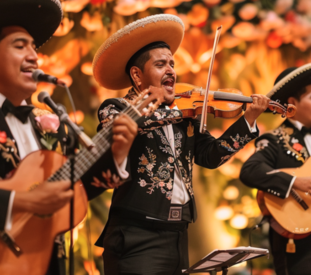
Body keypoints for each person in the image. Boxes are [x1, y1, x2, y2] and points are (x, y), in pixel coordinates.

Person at [0, 0, 137, 274]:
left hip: (48, 262)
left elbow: (75, 188)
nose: (34, 56)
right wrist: (21, 201)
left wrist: (118, 155)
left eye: (33, 47)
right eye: (19, 45)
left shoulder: (50, 122)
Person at [92, 14, 270, 275]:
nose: (171, 71)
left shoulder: (184, 113)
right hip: (136, 237)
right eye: (161, 64)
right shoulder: (116, 109)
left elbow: (211, 156)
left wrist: (249, 119)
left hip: (178, 235)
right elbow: (129, 125)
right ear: (137, 75)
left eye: (172, 64)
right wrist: (179, 112)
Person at [240, 65, 311, 275]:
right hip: (299, 243)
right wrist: (294, 182)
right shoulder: (276, 140)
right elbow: (250, 170)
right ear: (292, 104)